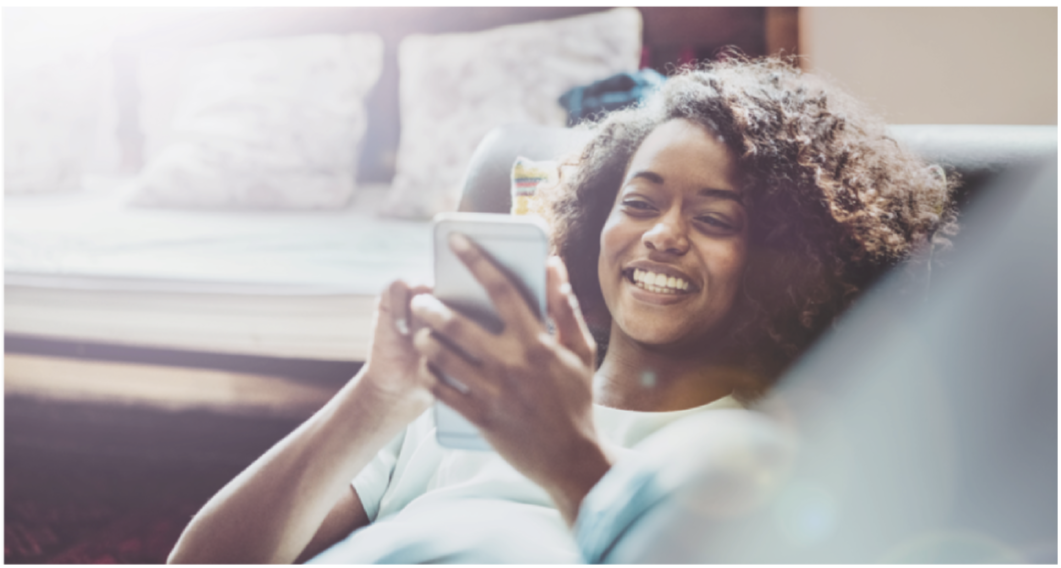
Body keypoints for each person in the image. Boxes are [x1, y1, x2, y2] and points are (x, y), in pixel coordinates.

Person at [166, 55, 957, 564]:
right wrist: (376, 398)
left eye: (714, 220)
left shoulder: (763, 449)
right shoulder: (468, 396)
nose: (661, 235)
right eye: (637, 202)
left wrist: (567, 454)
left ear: (788, 263)